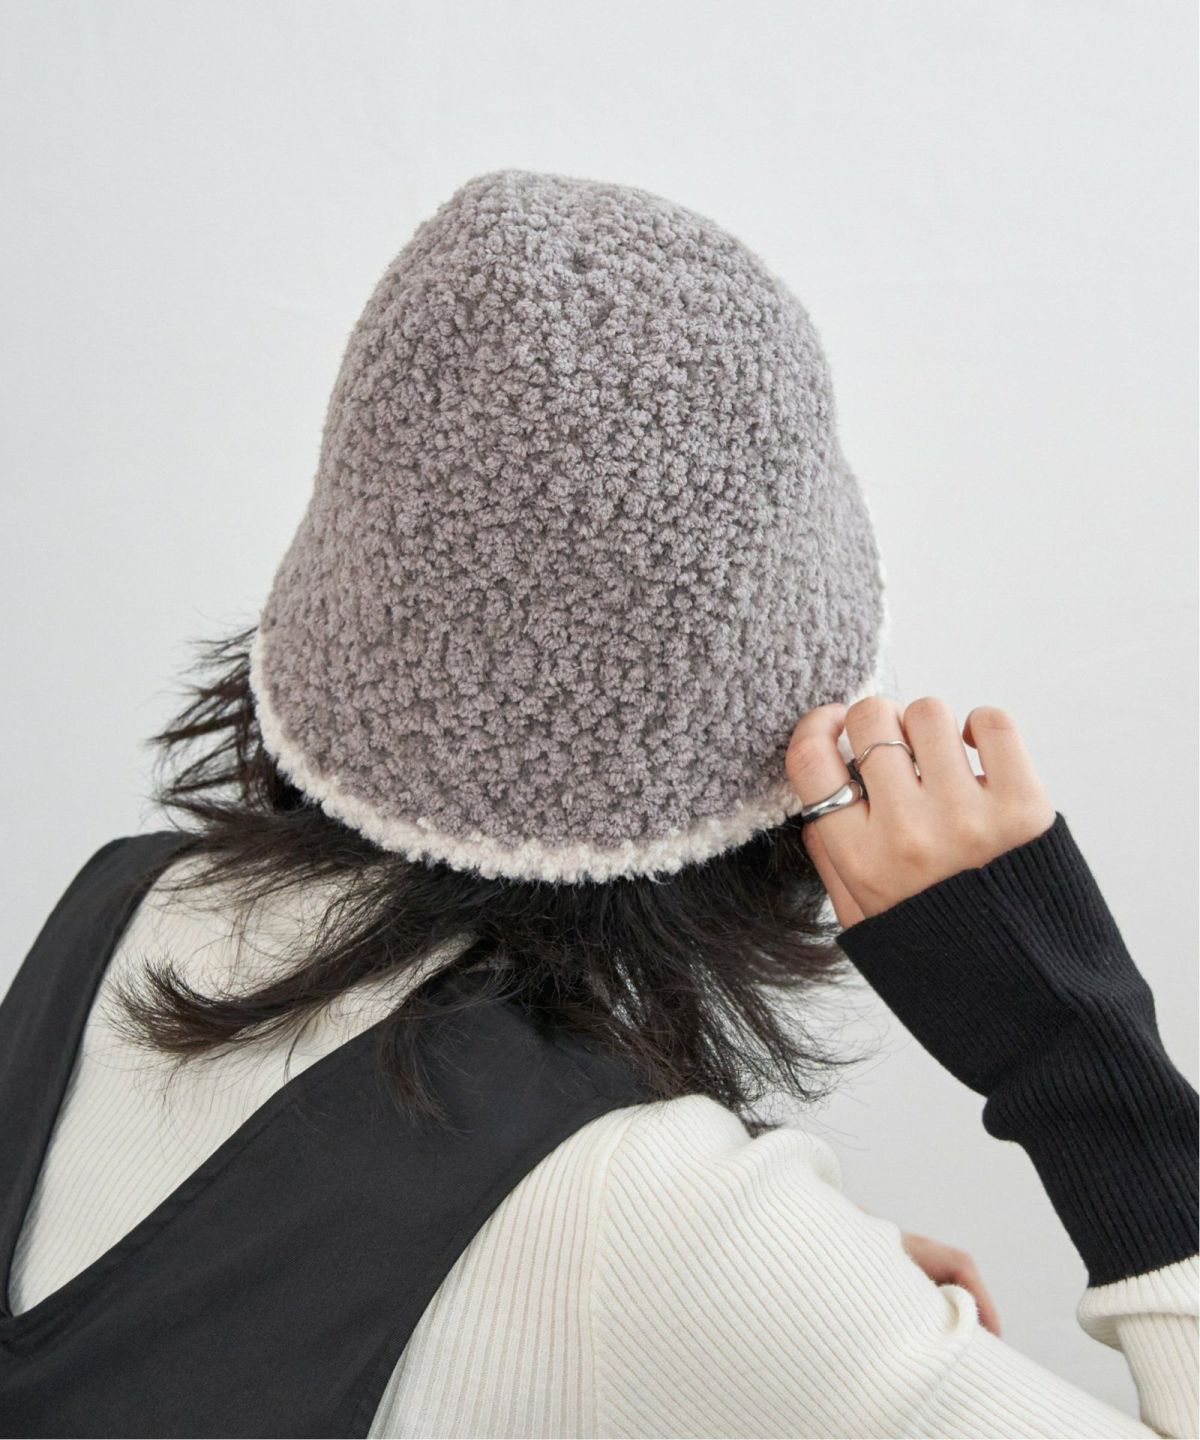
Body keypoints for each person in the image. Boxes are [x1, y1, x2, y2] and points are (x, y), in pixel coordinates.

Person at [0, 170, 1194, 1439]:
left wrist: (742, 1310)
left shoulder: (127, 905)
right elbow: (593, 1249)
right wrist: (1069, 1039)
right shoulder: (654, 1229)